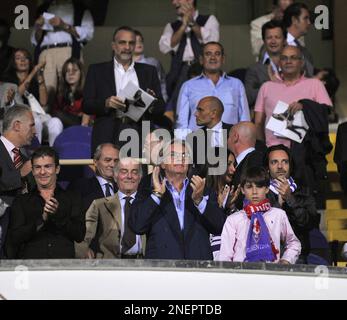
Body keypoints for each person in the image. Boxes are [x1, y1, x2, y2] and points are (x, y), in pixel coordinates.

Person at [129, 139, 225, 260]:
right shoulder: (149, 185)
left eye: (185, 155)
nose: (180, 159)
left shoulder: (201, 186)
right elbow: (137, 226)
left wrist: (199, 201)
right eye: (173, 155)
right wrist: (156, 195)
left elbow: (219, 226)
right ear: (162, 163)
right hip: (163, 268)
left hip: (198, 269)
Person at [82, 26, 165, 155]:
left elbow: (161, 108)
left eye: (131, 43)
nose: (127, 47)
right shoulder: (97, 71)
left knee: (139, 174)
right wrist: (106, 103)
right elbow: (86, 105)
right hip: (108, 132)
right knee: (107, 174)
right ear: (113, 45)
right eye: (122, 42)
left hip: (139, 132)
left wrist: (152, 102)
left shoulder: (149, 71)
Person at [6, 146, 85, 259]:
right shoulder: (21, 201)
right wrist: (41, 220)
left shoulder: (73, 198)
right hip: (32, 268)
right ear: (32, 171)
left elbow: (79, 235)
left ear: (57, 169)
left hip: (63, 267)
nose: (42, 172)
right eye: (38, 167)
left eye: (47, 166)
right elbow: (14, 238)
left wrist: (58, 215)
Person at [218, 166, 301, 263]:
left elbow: (293, 243)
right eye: (249, 187)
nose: (254, 192)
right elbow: (225, 256)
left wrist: (286, 260)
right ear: (242, 190)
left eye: (259, 186)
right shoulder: (233, 220)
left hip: (271, 273)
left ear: (267, 189)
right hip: (241, 274)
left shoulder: (278, 215)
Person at [254, 45, 332, 148]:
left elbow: (326, 112)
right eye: (284, 58)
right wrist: (263, 149)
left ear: (302, 62)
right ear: (279, 63)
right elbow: (258, 123)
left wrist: (306, 106)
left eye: (293, 57)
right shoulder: (266, 87)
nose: (288, 61)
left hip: (307, 153)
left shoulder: (315, 84)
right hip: (274, 153)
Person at [176, 41, 250, 140]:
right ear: (201, 59)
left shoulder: (236, 84)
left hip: (230, 143)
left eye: (217, 54)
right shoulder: (188, 86)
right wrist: (184, 146)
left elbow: (245, 119)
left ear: (223, 59)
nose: (213, 58)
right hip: (197, 144)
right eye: (208, 54)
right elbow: (181, 122)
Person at [75, 157, 144, 259]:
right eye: (124, 172)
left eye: (134, 172)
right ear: (115, 177)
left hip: (144, 265)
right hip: (109, 265)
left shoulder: (149, 204)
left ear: (140, 177)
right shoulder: (99, 205)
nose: (129, 176)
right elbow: (82, 238)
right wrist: (84, 251)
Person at [264, 144, 319, 263]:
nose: (280, 166)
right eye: (274, 162)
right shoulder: (260, 192)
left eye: (285, 162)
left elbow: (309, 223)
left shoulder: (304, 191)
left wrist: (289, 198)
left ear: (290, 165)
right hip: (266, 256)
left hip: (298, 257)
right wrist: (277, 205)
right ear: (267, 167)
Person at [31, 0, 94, 102]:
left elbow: (88, 34)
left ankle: (69, 116)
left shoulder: (80, 8)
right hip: (46, 52)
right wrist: (38, 27)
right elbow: (35, 41)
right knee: (45, 92)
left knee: (70, 91)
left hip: (69, 51)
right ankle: (46, 116)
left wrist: (63, 25)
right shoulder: (43, 8)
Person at [159, 0, 219, 103]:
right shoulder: (172, 26)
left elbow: (212, 41)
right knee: (178, 103)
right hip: (179, 71)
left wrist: (192, 22)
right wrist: (183, 25)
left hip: (203, 70)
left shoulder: (209, 19)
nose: (174, 2)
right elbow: (165, 47)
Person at [2, 48, 63, 145]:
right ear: (13, 62)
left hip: (38, 114)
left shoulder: (34, 81)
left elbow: (43, 102)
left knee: (56, 122)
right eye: (18, 58)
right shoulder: (9, 79)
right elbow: (17, 93)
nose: (22, 60)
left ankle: (53, 153)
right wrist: (34, 71)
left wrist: (40, 77)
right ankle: (35, 152)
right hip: (20, 116)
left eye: (26, 58)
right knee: (35, 120)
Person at [0, 105, 36, 256]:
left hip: (19, 237)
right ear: (16, 125)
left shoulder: (25, 159)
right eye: (32, 125)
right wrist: (20, 174)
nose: (35, 131)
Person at [245, 20, 287, 110]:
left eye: (277, 37)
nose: (273, 41)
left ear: (284, 40)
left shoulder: (294, 65)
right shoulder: (254, 69)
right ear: (264, 41)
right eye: (269, 37)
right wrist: (270, 86)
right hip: (265, 117)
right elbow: (248, 98)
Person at [186, 96, 232, 175]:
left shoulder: (233, 132)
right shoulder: (193, 138)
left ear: (213, 113)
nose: (195, 114)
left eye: (200, 110)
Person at [68, 143, 120, 213]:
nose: (112, 165)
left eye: (116, 161)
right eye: (107, 160)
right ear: (95, 162)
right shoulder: (81, 186)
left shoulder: (124, 187)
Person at [53, 57, 90, 128]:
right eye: (67, 71)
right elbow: (55, 113)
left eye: (74, 70)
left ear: (81, 73)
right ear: (64, 75)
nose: (71, 73)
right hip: (65, 126)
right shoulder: (60, 94)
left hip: (83, 125)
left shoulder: (88, 91)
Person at [133, 30, 168, 103]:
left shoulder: (153, 62)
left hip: (152, 101)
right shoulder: (124, 64)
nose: (139, 43)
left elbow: (161, 82)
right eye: (135, 41)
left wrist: (163, 98)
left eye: (141, 41)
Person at [283, 2, 313, 77]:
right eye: (305, 18)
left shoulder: (301, 48)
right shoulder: (277, 44)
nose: (309, 22)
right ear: (294, 20)